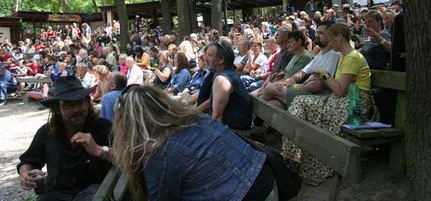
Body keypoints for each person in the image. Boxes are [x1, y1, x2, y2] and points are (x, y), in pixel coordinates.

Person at [112, 85, 274, 201]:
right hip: (264, 177)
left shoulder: (158, 151)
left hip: (247, 192)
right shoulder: (195, 119)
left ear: (128, 124)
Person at [281, 23, 379, 185]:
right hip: (341, 101)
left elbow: (340, 90)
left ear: (340, 37)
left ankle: (294, 158)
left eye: (332, 40)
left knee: (301, 104)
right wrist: (320, 76)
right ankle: (292, 155)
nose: (330, 44)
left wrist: (324, 75)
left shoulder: (353, 57)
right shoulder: (345, 57)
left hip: (353, 104)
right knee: (299, 102)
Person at [18, 75, 113, 200]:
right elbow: (28, 161)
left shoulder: (103, 127)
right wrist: (25, 174)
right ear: (57, 109)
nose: (76, 109)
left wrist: (98, 150)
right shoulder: (47, 132)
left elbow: (127, 158)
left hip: (96, 192)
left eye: (80, 103)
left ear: (87, 102)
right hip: (57, 193)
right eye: (68, 105)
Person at [260, 22, 340, 109]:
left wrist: (294, 85)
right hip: (304, 90)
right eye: (317, 32)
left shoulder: (334, 55)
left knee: (269, 88)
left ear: (331, 36)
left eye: (321, 33)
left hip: (315, 96)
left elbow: (317, 87)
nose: (316, 35)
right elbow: (302, 72)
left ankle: (251, 117)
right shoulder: (321, 54)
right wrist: (292, 79)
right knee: (274, 103)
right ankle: (255, 120)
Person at [204, 40, 252, 130]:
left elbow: (217, 117)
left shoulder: (222, 80)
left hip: (235, 132)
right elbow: (211, 102)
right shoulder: (226, 73)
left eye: (210, 55)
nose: (205, 58)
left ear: (221, 60)